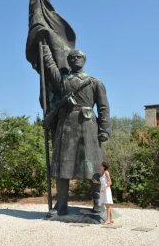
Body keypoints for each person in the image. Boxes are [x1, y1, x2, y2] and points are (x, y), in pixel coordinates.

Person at [43, 44, 111, 216]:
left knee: (93, 165)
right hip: (66, 125)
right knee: (62, 165)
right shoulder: (63, 80)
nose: (75, 59)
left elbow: (103, 108)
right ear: (68, 61)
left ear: (84, 60)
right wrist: (45, 48)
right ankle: (62, 204)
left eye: (78, 57)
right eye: (71, 57)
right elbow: (50, 69)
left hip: (88, 126)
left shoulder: (95, 83)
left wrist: (104, 129)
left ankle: (98, 202)